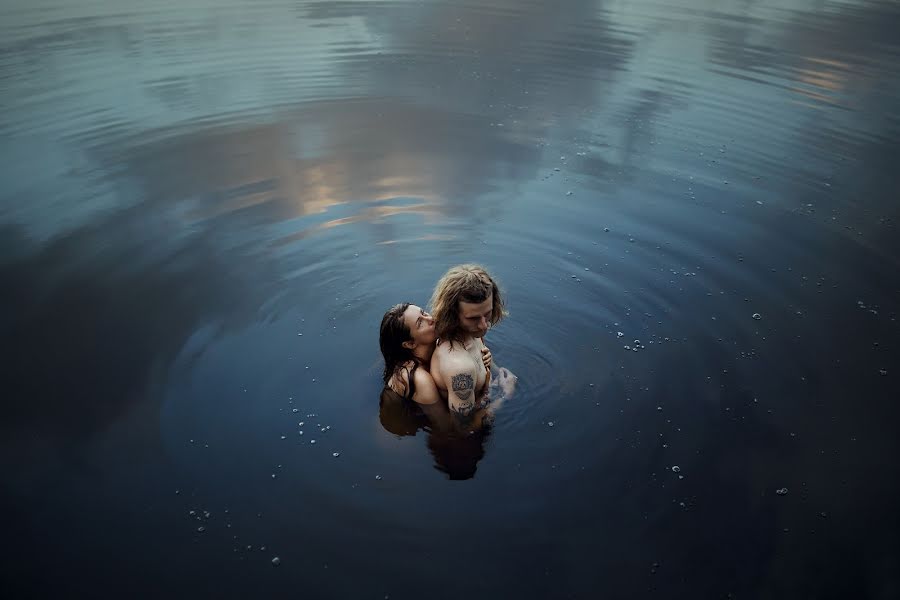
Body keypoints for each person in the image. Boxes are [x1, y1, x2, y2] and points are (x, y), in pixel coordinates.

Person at [429, 264, 516, 433]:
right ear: (452, 315)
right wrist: (505, 396)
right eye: (474, 318)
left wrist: (497, 372)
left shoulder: (471, 331)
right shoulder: (459, 368)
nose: (484, 325)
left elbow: (482, 357)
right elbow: (464, 429)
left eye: (487, 313)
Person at [379, 303, 493, 432]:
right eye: (420, 323)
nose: (431, 319)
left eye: (424, 313)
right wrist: (501, 398)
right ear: (410, 344)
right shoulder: (420, 379)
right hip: (399, 429)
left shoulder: (434, 345)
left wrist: (479, 356)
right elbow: (448, 427)